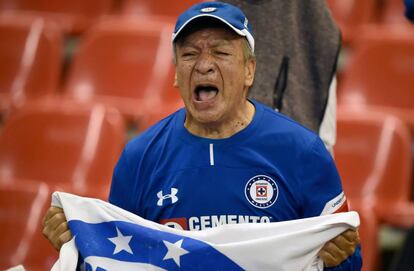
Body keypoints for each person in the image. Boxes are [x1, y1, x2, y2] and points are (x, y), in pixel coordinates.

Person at [43, 2, 362, 270]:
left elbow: (351, 259)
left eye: (221, 53)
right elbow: (116, 260)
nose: (204, 65)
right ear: (175, 74)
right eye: (190, 54)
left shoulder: (303, 151)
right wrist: (77, 241)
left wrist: (340, 257)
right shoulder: (140, 156)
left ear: (250, 70)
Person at [222, 0, 341, 154]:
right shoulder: (212, 14)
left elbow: (323, 144)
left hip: (294, 158)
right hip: (226, 154)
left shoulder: (314, 18)